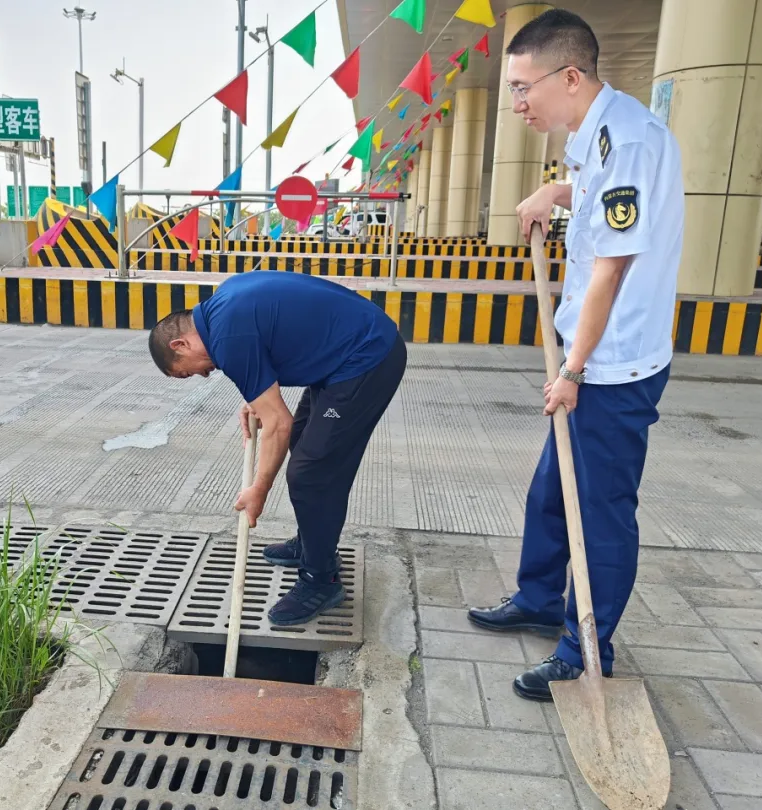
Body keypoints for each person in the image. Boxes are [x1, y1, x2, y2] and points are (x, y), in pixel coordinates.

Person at [467, 9, 684, 701]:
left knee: (600, 510)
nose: (518, 103)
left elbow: (609, 273)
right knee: (552, 491)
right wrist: (556, 192)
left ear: (569, 76)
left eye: (522, 87)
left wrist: (571, 370)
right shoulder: (594, 135)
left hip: (613, 365)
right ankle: (538, 598)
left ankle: (586, 647)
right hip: (592, 354)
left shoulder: (628, 141)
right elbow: (599, 205)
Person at [148, 270, 407, 625]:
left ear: (180, 345)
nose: (204, 375)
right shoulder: (223, 307)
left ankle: (321, 579)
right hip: (345, 351)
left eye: (187, 372)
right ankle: (312, 541)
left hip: (367, 357)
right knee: (304, 442)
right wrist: (255, 395)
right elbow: (267, 346)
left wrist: (259, 489)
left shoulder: (227, 338)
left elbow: (277, 424)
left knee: (311, 472)